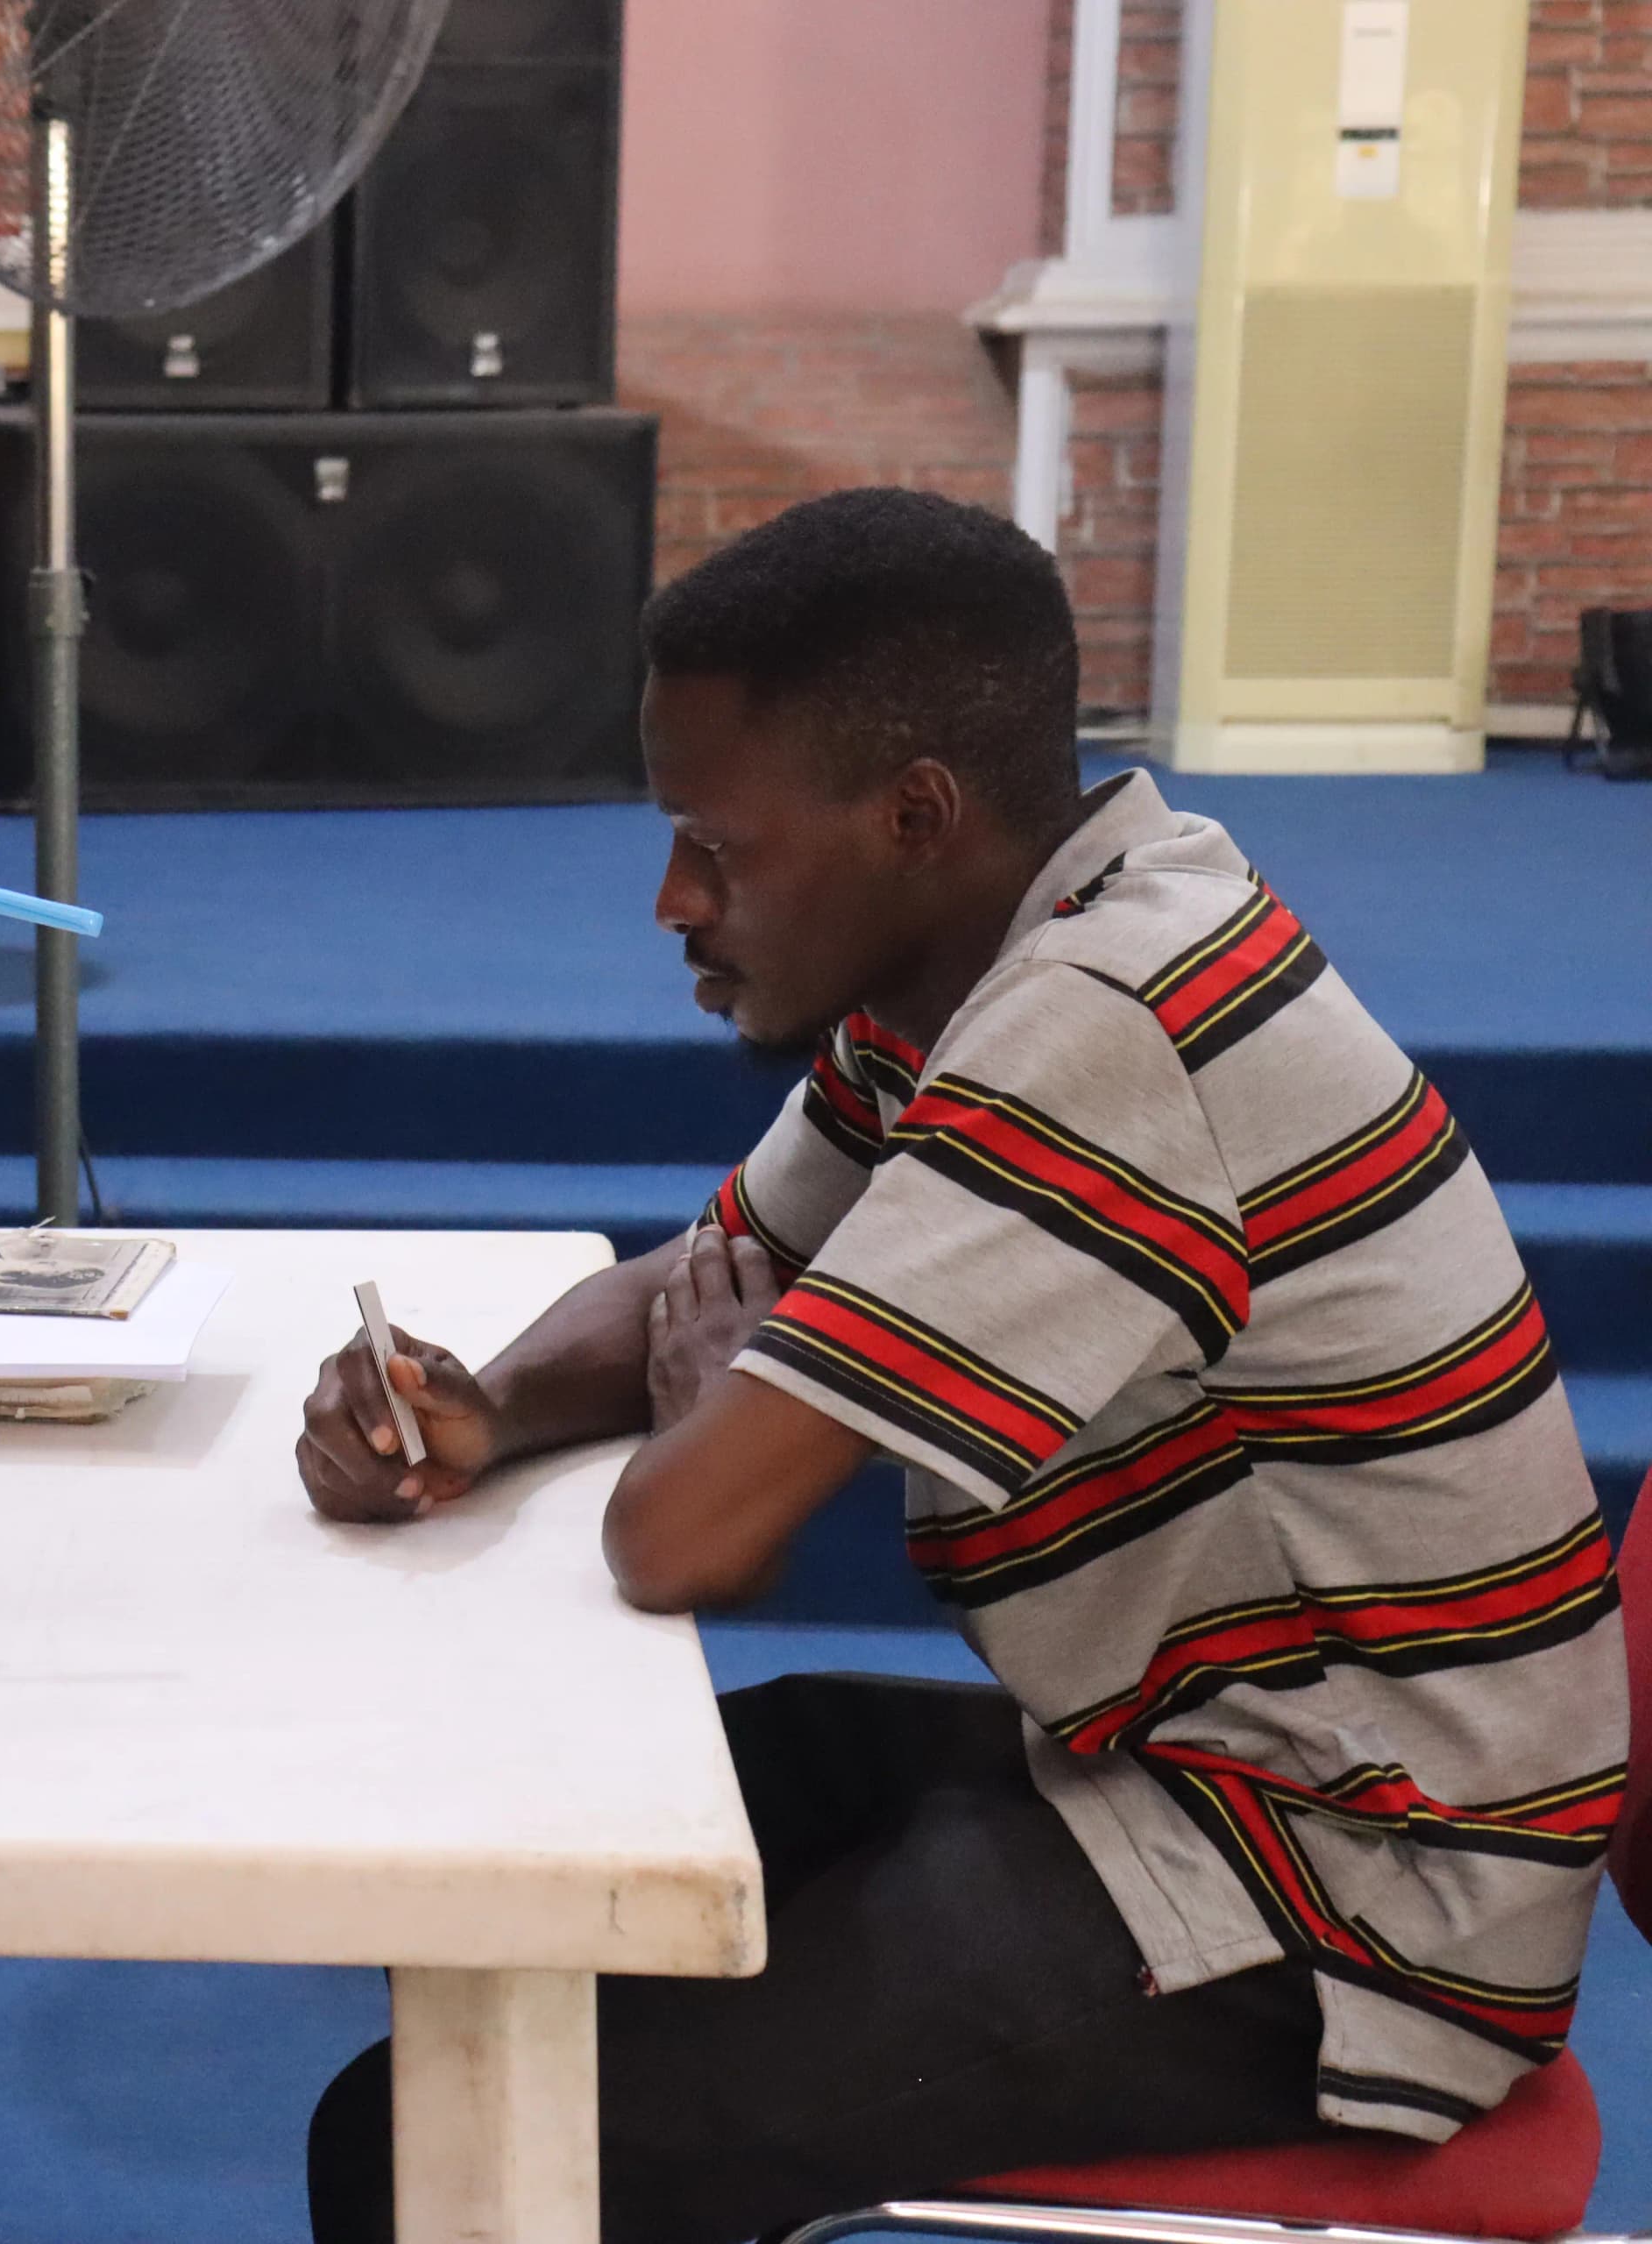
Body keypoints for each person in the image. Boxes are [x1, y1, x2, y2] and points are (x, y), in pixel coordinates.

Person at [294, 488, 1625, 2244]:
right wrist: (484, 1403)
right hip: (1207, 1765)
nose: (672, 897)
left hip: (1353, 1896)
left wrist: (708, 1406)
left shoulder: (1102, 1031)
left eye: (718, 841)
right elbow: (712, 1277)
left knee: (420, 2142)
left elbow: (686, 1537)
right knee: (545, 1864)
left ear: (915, 814)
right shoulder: (1000, 949)